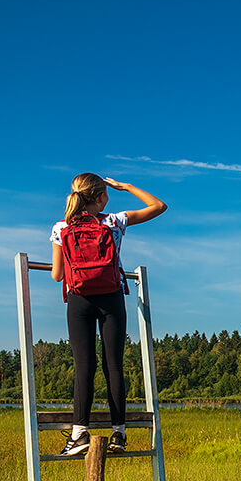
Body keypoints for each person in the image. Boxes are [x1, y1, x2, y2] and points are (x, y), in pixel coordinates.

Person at [50, 173, 167, 456]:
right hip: (112, 299)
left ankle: (79, 434)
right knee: (113, 366)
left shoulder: (61, 227)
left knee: (84, 367)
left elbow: (56, 275)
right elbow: (158, 206)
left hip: (79, 301)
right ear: (102, 196)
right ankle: (119, 434)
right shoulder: (114, 222)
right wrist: (125, 186)